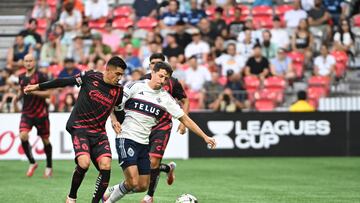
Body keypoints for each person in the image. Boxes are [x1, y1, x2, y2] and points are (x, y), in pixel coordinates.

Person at [103, 61, 216, 203]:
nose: (162, 81)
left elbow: (185, 119)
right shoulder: (135, 86)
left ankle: (114, 189)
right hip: (126, 138)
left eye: (165, 78)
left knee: (142, 186)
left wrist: (205, 137)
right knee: (132, 181)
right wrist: (113, 120)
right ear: (153, 73)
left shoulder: (165, 98)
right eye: (160, 76)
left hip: (144, 143)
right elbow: (114, 104)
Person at [24, 56, 127, 203]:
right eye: (117, 74)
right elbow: (64, 81)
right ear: (108, 70)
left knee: (106, 166)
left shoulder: (118, 90)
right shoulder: (90, 76)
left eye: (121, 75)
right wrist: (38, 86)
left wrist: (115, 120)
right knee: (84, 163)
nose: (119, 77)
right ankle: (71, 197)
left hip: (99, 133)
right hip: (80, 127)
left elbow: (117, 111)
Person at [140, 53, 189, 203]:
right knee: (143, 164)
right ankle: (167, 169)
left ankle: (149, 196)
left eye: (159, 62)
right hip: (144, 125)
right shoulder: (143, 81)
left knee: (153, 162)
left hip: (163, 125)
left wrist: (183, 122)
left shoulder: (172, 82)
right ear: (150, 66)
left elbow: (185, 100)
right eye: (153, 63)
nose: (156, 65)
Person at [17, 54, 52, 178]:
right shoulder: (20, 77)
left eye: (30, 61)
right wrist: (16, 99)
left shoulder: (41, 76)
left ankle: (48, 166)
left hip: (41, 113)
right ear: (23, 63)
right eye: (26, 61)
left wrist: (34, 90)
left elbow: (48, 94)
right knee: (23, 135)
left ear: (35, 62)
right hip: (26, 112)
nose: (28, 63)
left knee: (45, 140)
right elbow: (21, 91)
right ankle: (32, 162)